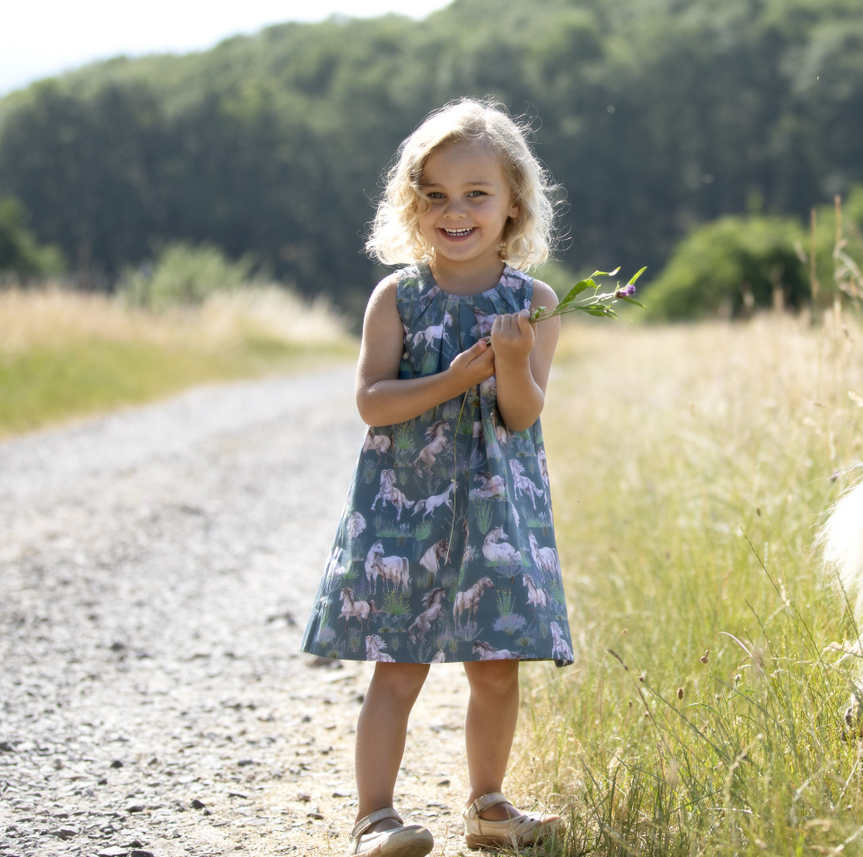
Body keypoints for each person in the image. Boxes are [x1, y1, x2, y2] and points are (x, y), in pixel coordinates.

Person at [299, 97, 574, 857]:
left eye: (477, 194)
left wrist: (513, 365)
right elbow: (371, 402)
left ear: (513, 201)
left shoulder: (536, 303)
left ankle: (488, 806)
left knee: (495, 670)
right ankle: (375, 817)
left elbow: (522, 416)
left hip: (495, 515)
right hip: (404, 514)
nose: (456, 211)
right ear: (411, 204)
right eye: (436, 195)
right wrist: (454, 380)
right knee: (398, 667)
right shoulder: (398, 296)